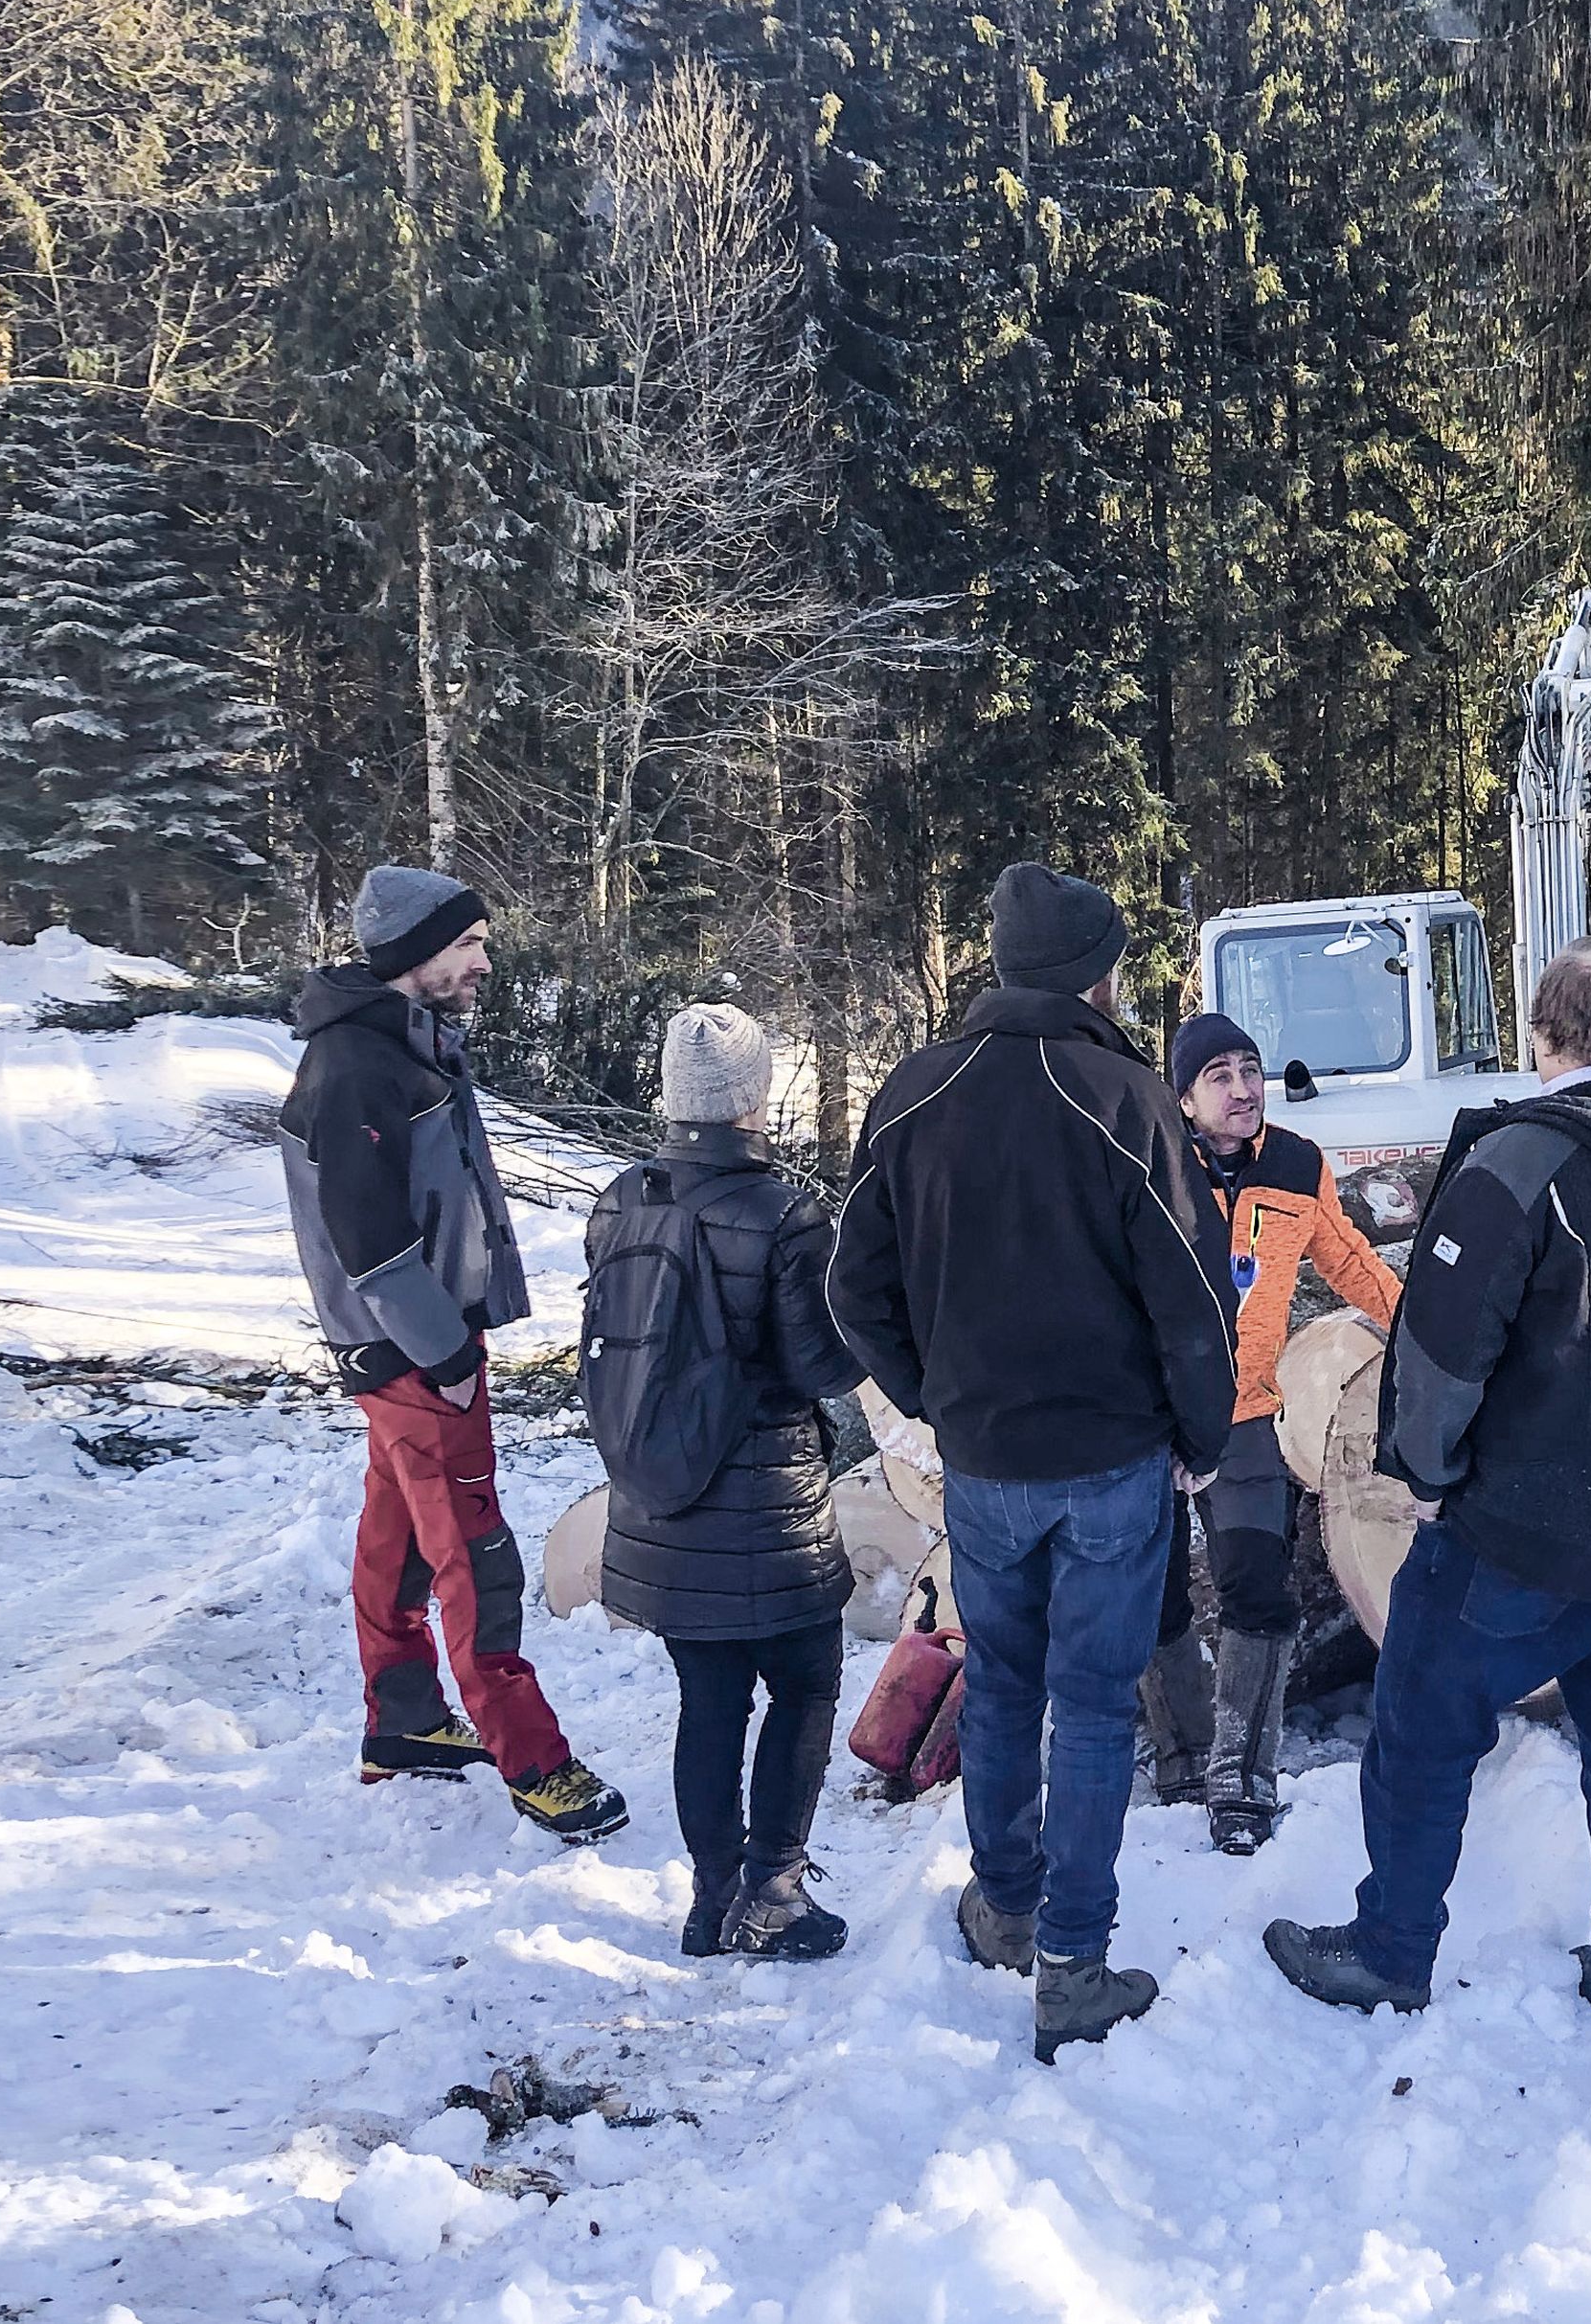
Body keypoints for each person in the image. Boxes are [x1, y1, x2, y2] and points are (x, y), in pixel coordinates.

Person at [1263, 939, 1591, 2028]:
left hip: (1526, 1527)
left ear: (1544, 1036)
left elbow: (1445, 1348)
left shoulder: (1524, 1162)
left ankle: (1390, 1945)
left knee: (1420, 1717)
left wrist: (1421, 1467)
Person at [828, 861, 1236, 2062]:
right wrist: (1199, 1439)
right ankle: (1068, 1957)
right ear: (1095, 973)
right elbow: (1195, 1302)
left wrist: (932, 1393)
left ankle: (1008, 1901)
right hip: (1109, 1459)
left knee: (1006, 1682)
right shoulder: (1123, 1097)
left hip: (990, 1460)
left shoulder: (913, 1092)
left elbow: (855, 1286)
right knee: (1094, 1706)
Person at [280, 867, 627, 1843]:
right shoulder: (356, 1068)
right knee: (476, 1556)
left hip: (411, 1347)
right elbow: (371, 1242)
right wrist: (445, 1354)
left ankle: (402, 1719)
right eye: (468, 942)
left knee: (395, 1534)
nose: (484, 960)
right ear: (413, 954)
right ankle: (535, 1762)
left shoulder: (397, 1046)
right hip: (413, 1350)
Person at [590, 1003, 867, 1962]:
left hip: (663, 1505)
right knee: (803, 1686)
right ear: (752, 1096)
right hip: (769, 1510)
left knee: (707, 1700)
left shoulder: (621, 1199)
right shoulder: (784, 1212)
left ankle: (713, 1899)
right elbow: (819, 1364)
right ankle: (775, 1894)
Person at [1156, 1011, 1405, 1853]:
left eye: (1249, 1069)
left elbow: (1351, 1262)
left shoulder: (1297, 1165)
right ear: (1185, 1098)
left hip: (1245, 1417)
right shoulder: (1149, 1165)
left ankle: (1242, 1774)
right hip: (1149, 1422)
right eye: (1218, 1075)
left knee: (1258, 1591)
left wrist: (1426, 1333)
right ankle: (1183, 1752)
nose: (1242, 1088)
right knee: (1154, 1594)